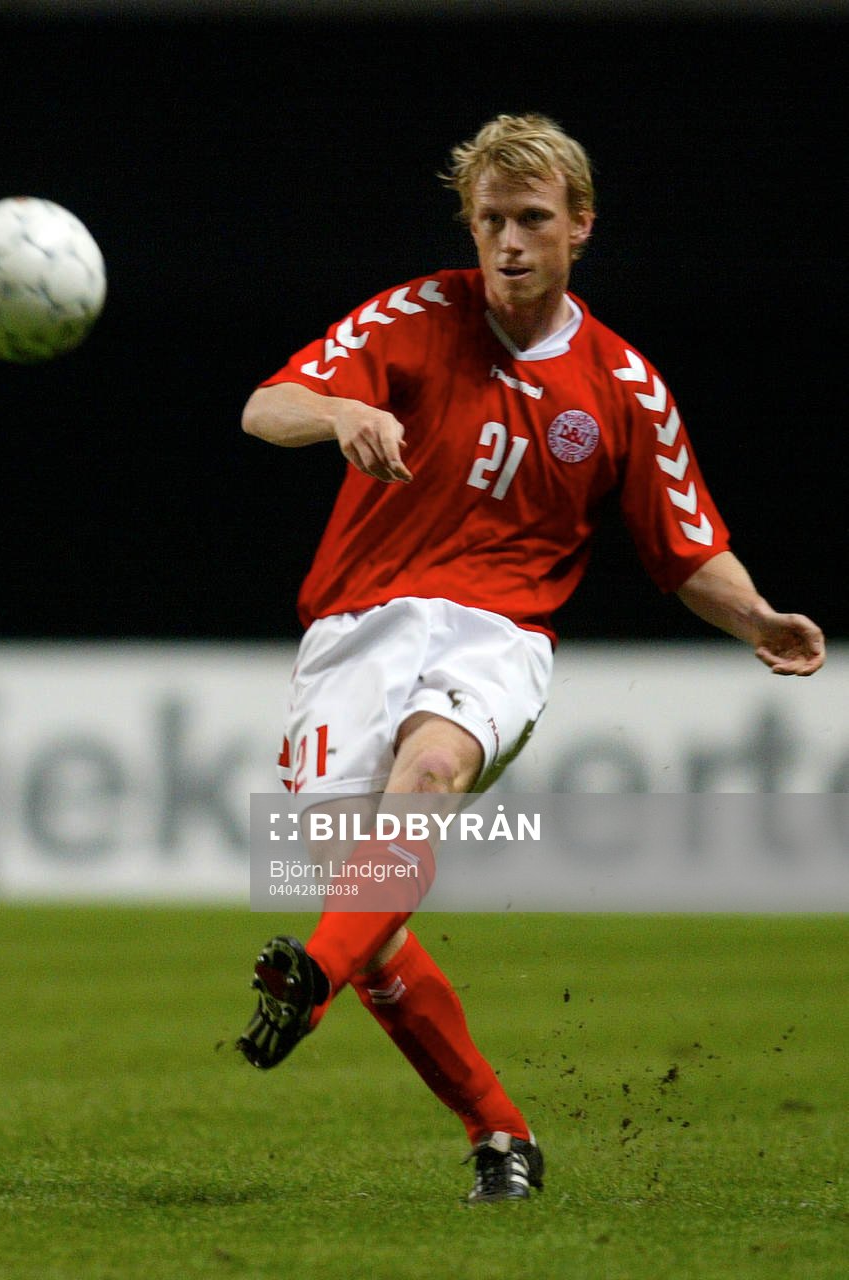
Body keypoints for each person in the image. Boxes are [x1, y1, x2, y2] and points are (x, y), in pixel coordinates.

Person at [235, 112, 826, 1203]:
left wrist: (755, 617)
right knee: (362, 910)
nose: (507, 242)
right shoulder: (415, 315)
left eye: (531, 219)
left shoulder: (619, 386)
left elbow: (686, 546)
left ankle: (307, 972)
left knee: (430, 774)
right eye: (489, 220)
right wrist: (340, 408)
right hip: (355, 627)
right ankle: (500, 1133)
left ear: (579, 227)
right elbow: (263, 406)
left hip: (496, 632)